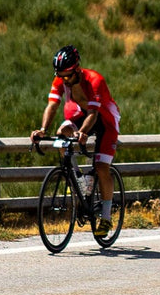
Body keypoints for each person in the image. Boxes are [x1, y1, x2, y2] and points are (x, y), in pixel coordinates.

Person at [31, 45, 121, 235]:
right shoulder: (61, 79)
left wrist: (82, 132)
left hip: (104, 121)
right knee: (62, 132)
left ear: (77, 69)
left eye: (67, 75)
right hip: (82, 116)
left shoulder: (95, 80)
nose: (64, 80)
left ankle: (106, 217)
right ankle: (79, 180)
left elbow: (94, 114)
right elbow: (52, 105)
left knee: (102, 167)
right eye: (60, 75)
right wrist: (42, 130)